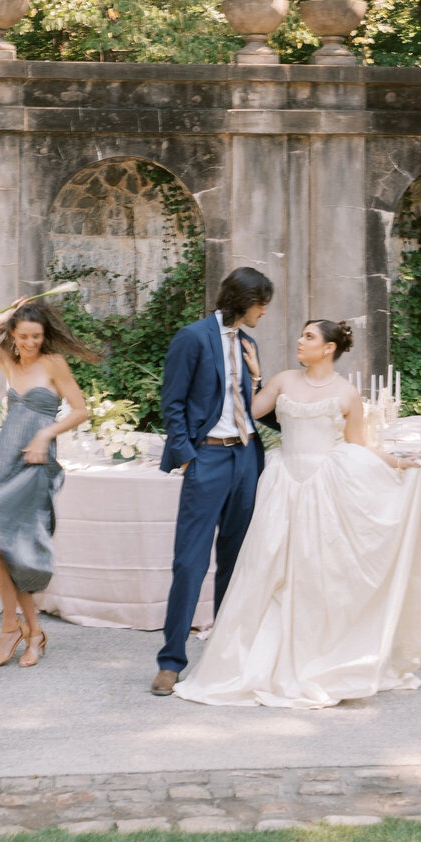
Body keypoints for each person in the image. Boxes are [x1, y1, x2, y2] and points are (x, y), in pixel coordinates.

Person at [173, 319, 421, 708]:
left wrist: (395, 462)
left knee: (315, 574)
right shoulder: (283, 381)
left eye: (309, 336)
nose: (299, 339)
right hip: (281, 481)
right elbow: (246, 411)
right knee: (266, 569)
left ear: (328, 348)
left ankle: (317, 658)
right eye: (301, 334)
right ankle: (251, 664)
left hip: (324, 487)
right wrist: (256, 378)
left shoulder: (346, 394)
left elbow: (358, 443)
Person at [0, 298, 96, 667]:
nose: (31, 344)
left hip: (35, 467)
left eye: (37, 337)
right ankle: (27, 629)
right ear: (13, 334)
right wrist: (4, 315)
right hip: (5, 463)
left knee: (7, 549)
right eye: (24, 336)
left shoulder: (53, 364)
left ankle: (15, 628)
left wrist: (46, 436)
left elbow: (80, 410)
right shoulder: (6, 360)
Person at [150, 267, 274, 697]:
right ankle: (171, 661)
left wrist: (258, 377)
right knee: (190, 561)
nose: (265, 312)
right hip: (208, 457)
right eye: (262, 304)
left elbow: (256, 408)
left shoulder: (249, 343)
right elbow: (173, 402)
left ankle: (224, 656)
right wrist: (188, 457)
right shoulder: (192, 336)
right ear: (245, 300)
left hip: (246, 458)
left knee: (236, 560)